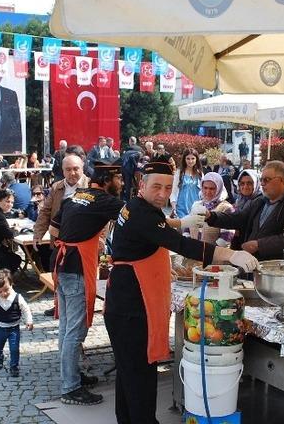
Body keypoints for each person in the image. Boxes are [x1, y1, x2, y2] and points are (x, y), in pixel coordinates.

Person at [105, 156, 259, 423]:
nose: (162, 194)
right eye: (156, 187)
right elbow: (181, 245)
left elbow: (160, 229)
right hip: (131, 305)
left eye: (167, 188)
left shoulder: (138, 206)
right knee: (140, 374)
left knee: (129, 373)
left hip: (125, 301)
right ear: (142, 183)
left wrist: (182, 222)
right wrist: (229, 254)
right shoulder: (141, 212)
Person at [50, 159, 126, 405]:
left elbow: (54, 231)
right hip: (76, 268)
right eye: (118, 178)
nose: (122, 182)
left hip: (60, 263)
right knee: (76, 330)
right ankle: (70, 388)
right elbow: (135, 219)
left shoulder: (76, 196)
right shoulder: (105, 200)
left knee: (65, 327)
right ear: (106, 181)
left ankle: (70, 376)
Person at [205, 161, 284, 261]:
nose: (262, 184)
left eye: (267, 180)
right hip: (255, 267)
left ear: (281, 180)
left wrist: (259, 245)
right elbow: (238, 218)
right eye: (262, 179)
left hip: (277, 272)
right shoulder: (260, 201)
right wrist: (211, 216)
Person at [0, 269, 34, 376]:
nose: (3, 293)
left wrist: (29, 321)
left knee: (14, 348)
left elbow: (26, 309)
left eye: (6, 290)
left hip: (14, 328)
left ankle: (14, 366)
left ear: (11, 284)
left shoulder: (18, 297)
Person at [191, 172, 234, 246]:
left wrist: (210, 252)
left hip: (214, 255)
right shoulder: (196, 205)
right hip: (193, 253)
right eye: (205, 188)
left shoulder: (226, 208)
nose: (208, 192)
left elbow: (227, 237)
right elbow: (187, 228)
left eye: (212, 188)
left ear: (219, 188)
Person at [170, 148, 204, 219]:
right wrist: (174, 208)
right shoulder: (179, 173)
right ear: (184, 159)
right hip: (181, 209)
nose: (190, 161)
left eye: (193, 158)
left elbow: (203, 192)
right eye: (188, 158)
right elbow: (173, 192)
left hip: (196, 209)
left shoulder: (200, 174)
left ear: (196, 159)